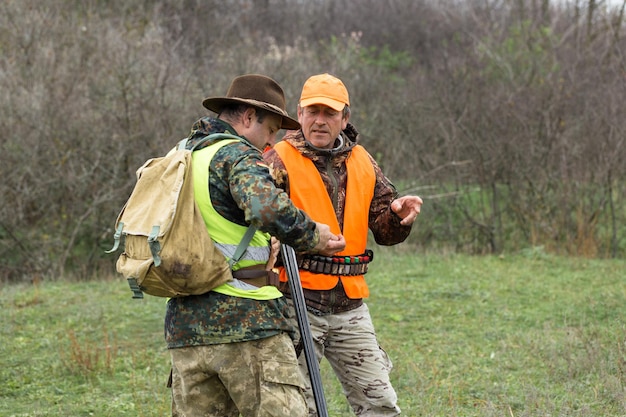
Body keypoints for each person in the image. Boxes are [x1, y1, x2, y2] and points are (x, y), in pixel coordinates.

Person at [164, 74, 346, 417]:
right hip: (248, 324)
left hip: (185, 330)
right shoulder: (236, 155)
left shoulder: (182, 155)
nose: (270, 143)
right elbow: (266, 208)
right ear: (248, 117)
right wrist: (315, 236)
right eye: (271, 131)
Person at [264, 73, 423, 416]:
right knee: (294, 408)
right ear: (299, 113)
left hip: (350, 306)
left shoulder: (363, 160)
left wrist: (397, 215)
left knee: (380, 403)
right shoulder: (278, 159)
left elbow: (385, 232)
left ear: (344, 119)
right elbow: (259, 224)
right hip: (295, 301)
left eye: (330, 113)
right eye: (312, 111)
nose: (320, 120)